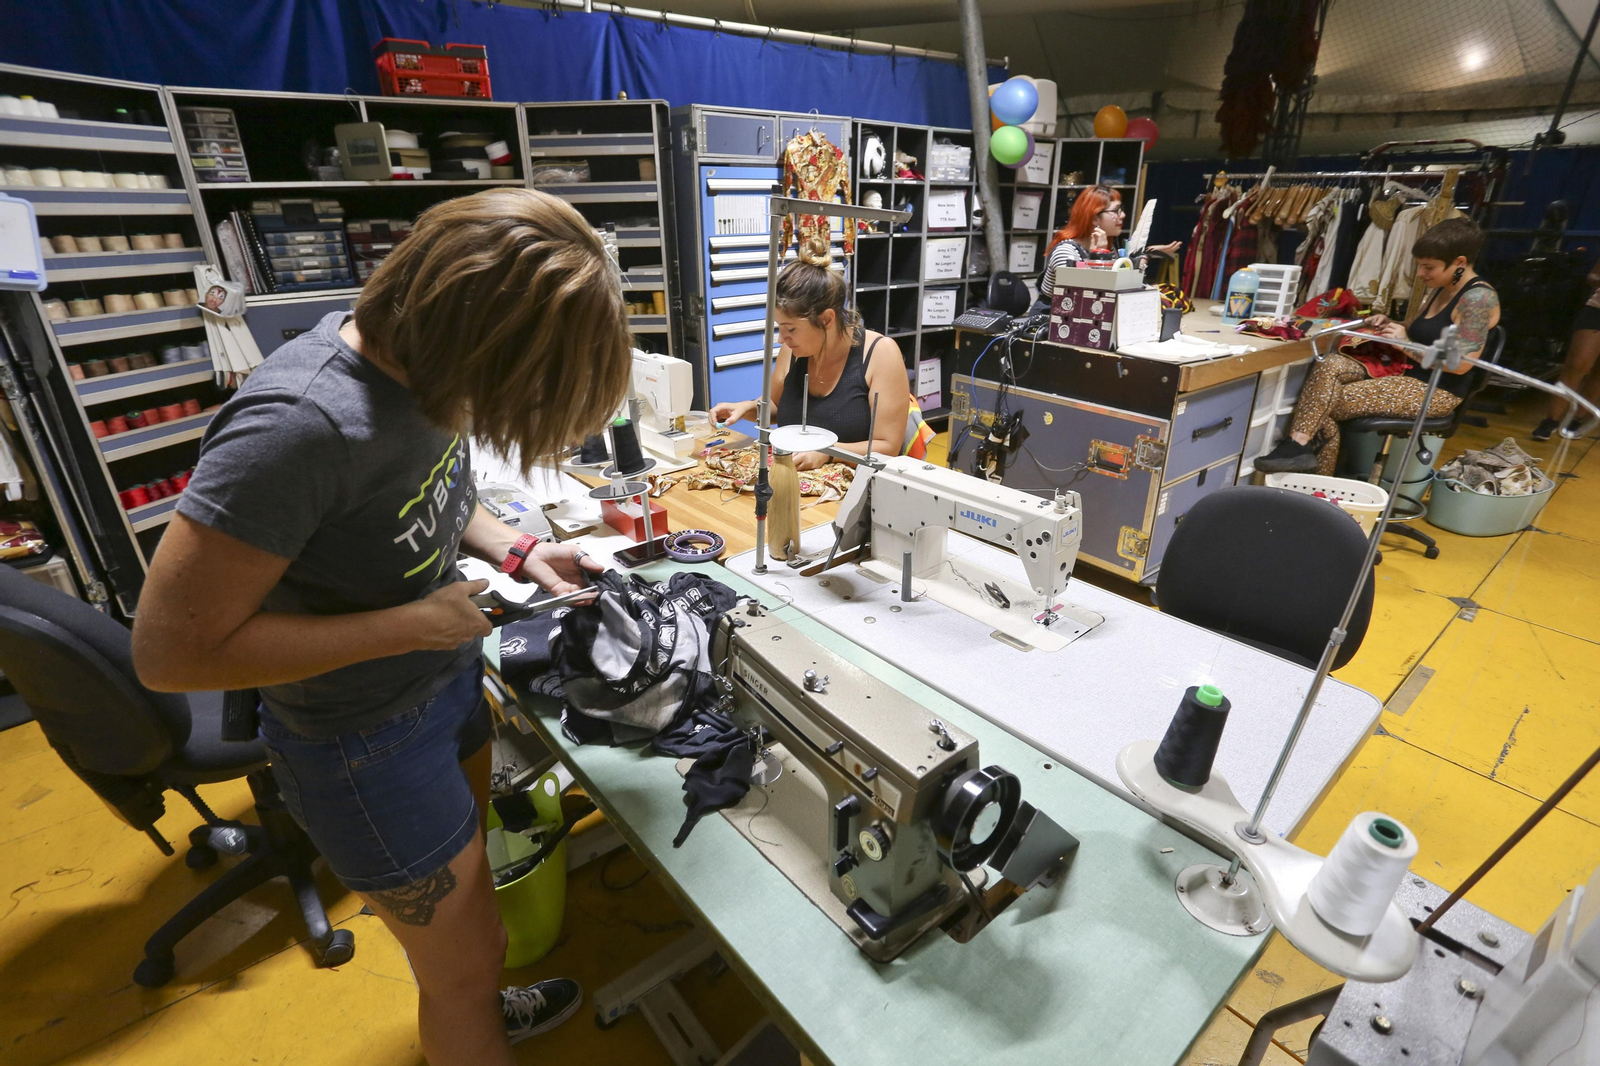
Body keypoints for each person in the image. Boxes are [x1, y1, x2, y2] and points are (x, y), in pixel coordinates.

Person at [130, 189, 634, 1066]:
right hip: (361, 743)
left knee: (470, 933)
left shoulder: (422, 363)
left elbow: (431, 487)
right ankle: (468, 1013)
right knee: (465, 965)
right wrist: (406, 625)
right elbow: (169, 653)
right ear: (471, 340)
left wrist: (520, 553)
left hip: (444, 685)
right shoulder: (298, 426)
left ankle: (471, 1005)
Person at [1257, 218, 1501, 476]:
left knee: (1324, 405)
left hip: (1436, 390)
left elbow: (1461, 364)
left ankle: (1317, 487)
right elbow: (1422, 331)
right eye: (1420, 266)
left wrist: (1404, 344)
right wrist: (1391, 323)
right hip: (1407, 372)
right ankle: (1298, 449)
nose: (1421, 274)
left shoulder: (1477, 299)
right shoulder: (1444, 287)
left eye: (1429, 267)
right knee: (1329, 364)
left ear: (1459, 263)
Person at [710, 258, 910, 470]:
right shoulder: (793, 350)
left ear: (826, 320)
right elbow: (778, 408)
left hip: (856, 487)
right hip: (796, 479)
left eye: (791, 329)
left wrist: (828, 453)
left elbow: (888, 447)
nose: (781, 339)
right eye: (780, 327)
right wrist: (746, 408)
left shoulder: (880, 354)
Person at [1035, 185, 1180, 312]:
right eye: (1116, 211)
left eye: (1121, 209)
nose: (1122, 215)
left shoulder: (1108, 249)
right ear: (1094, 218)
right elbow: (1080, 297)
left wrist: (1147, 252)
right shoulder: (1066, 251)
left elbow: (1120, 285)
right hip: (1051, 319)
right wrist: (1096, 259)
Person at [1531, 255, 1600, 441]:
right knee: (1576, 365)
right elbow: (1592, 276)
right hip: (1597, 311)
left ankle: (1577, 420)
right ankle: (1551, 420)